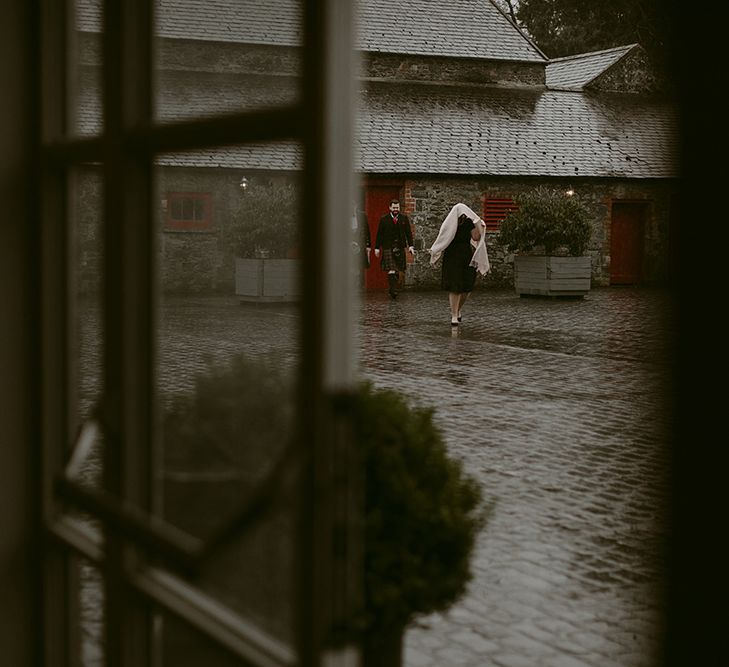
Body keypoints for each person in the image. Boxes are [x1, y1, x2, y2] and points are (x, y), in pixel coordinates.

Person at [429, 203, 490, 326]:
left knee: (467, 286)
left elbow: (475, 237)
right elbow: (443, 237)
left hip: (466, 254)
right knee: (455, 285)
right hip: (452, 255)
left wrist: (481, 227)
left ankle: (457, 309)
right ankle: (454, 315)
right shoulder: (450, 222)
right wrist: (436, 250)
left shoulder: (468, 222)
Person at [374, 199, 415, 298]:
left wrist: (410, 246)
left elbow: (408, 233)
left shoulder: (404, 218)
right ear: (390, 208)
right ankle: (393, 290)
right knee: (391, 269)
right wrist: (377, 248)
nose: (396, 209)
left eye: (397, 208)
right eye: (394, 207)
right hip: (388, 247)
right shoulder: (384, 219)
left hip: (400, 247)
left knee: (398, 270)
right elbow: (379, 234)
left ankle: (393, 288)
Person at [352, 201, 371, 286]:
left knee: (358, 265)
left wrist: (368, 245)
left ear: (356, 206)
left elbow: (367, 230)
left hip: (359, 243)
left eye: (353, 205)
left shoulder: (362, 215)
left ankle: (355, 282)